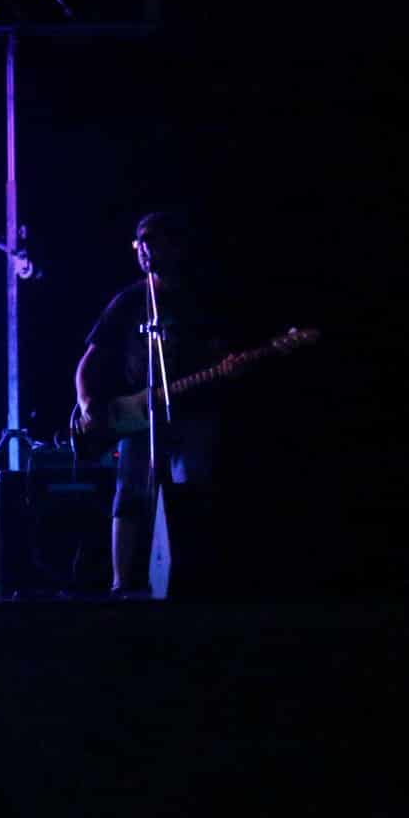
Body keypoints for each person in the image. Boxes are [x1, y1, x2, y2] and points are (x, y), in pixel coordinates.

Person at [72, 211, 233, 595]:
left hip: (193, 410)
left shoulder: (198, 300)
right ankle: (121, 582)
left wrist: (225, 366)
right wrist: (87, 401)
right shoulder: (129, 301)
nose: (145, 249)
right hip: (139, 414)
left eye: (154, 240)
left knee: (190, 490)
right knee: (129, 491)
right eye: (140, 241)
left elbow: (219, 352)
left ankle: (188, 579)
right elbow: (88, 362)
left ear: (176, 247)